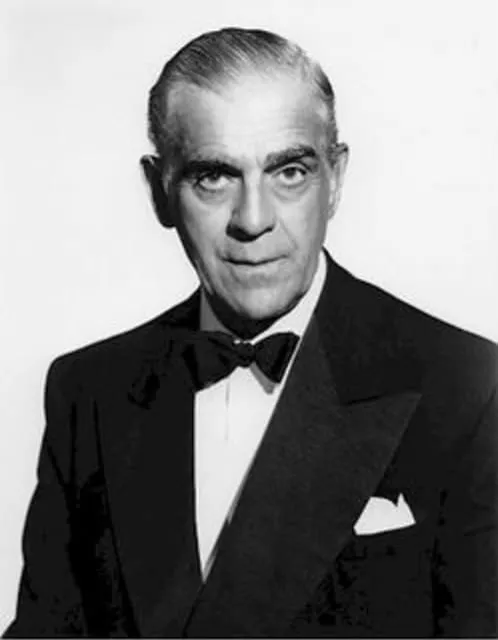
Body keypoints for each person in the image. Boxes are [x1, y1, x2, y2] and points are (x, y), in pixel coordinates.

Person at [4, 27, 497, 638]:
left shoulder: (468, 389)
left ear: (336, 178)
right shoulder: (90, 391)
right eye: (214, 177)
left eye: (289, 172)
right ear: (159, 193)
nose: (254, 220)